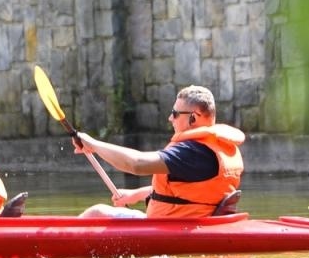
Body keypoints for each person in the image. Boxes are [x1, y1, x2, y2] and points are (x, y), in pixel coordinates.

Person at [71, 85, 244, 219]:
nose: (170, 118)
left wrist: (93, 144)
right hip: (190, 222)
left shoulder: (192, 152)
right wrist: (136, 194)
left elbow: (136, 164)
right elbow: (185, 191)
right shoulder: (213, 149)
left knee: (97, 213)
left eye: (175, 113)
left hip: (175, 228)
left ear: (194, 117)